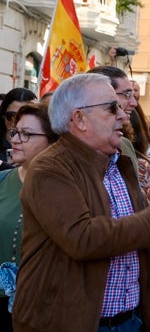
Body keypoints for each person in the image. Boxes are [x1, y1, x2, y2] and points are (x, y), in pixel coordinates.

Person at [11, 73, 150, 332]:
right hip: (68, 323)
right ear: (79, 119)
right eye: (111, 107)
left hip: (130, 321)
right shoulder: (50, 168)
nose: (123, 115)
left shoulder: (120, 165)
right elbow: (83, 239)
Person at [0, 103, 58, 332]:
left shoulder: (66, 189)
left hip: (43, 307)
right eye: (15, 132)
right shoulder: (3, 180)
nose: (15, 140)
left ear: (52, 142)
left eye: (27, 134)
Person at [0, 88, 37, 167]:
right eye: (12, 116)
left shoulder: (41, 142)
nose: (17, 121)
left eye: (24, 115)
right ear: (3, 115)